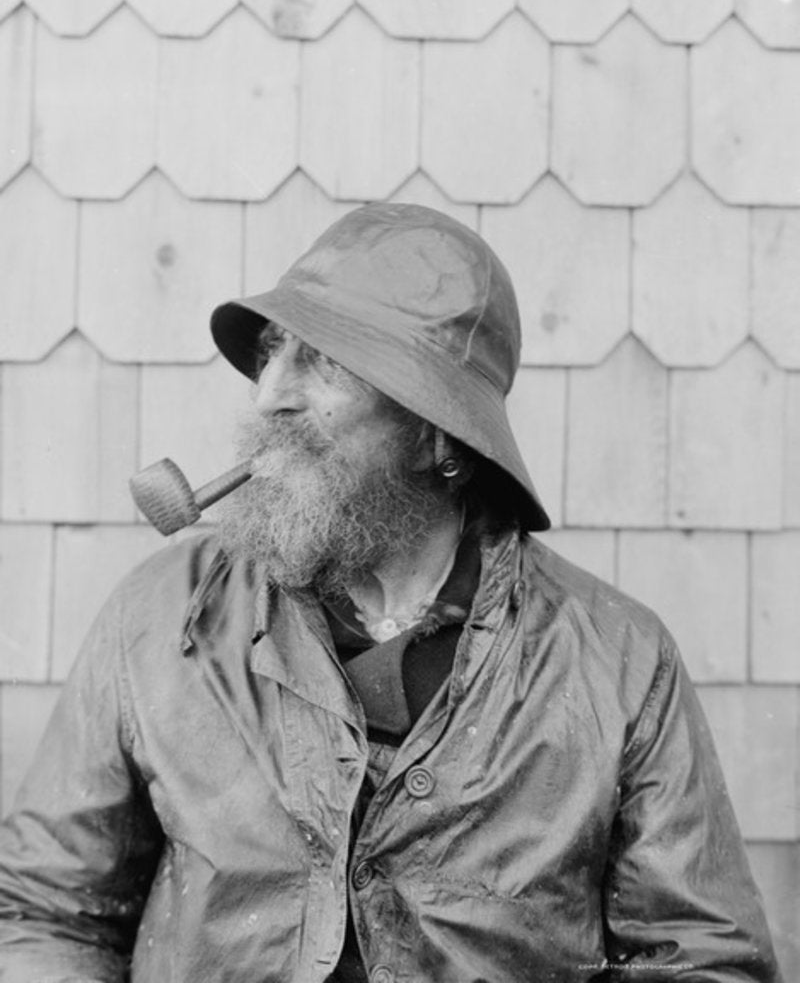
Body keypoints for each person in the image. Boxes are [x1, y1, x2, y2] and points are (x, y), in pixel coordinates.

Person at [0, 204, 782, 983]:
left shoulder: (617, 660)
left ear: (441, 436)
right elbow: (43, 913)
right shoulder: (162, 614)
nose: (270, 394)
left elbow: (705, 962)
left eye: (325, 361)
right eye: (274, 353)